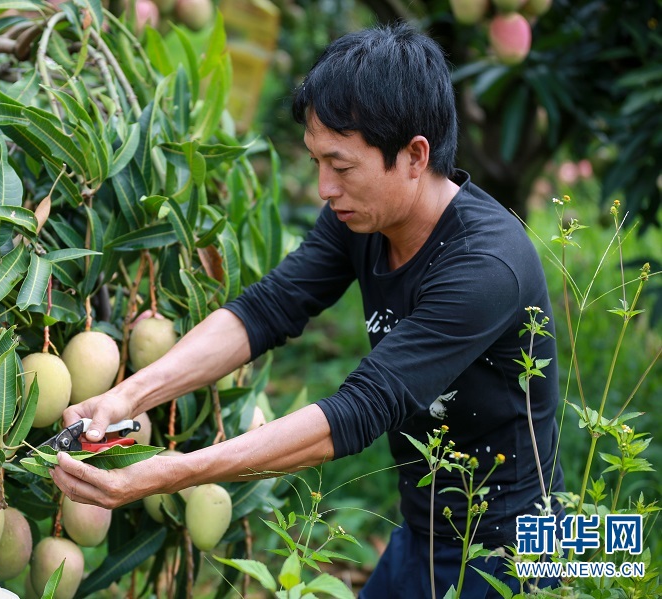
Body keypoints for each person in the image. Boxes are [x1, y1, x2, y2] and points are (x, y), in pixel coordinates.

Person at [50, 22, 564, 598]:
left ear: (416, 155)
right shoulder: (363, 216)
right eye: (317, 161)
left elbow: (360, 411)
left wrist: (170, 471)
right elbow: (268, 310)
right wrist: (129, 396)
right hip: (424, 530)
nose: (324, 187)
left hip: (515, 552)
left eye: (341, 166)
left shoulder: (485, 265)